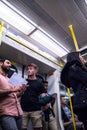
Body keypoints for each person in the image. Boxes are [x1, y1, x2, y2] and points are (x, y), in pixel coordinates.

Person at [61, 52, 87, 130]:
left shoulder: (71, 70)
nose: (83, 58)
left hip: (81, 102)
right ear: (76, 57)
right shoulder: (75, 68)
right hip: (84, 100)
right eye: (81, 56)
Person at [0, 58, 27, 130]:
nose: (10, 65)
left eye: (10, 64)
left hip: (18, 112)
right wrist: (13, 90)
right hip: (6, 113)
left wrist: (21, 91)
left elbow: (14, 95)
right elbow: (12, 91)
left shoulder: (9, 79)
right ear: (1, 63)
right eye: (8, 63)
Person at [21, 63, 46, 130]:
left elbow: (43, 93)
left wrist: (44, 99)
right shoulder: (24, 82)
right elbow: (19, 93)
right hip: (23, 109)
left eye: (31, 69)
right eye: (28, 69)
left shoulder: (39, 82)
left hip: (35, 109)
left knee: (37, 128)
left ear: (36, 70)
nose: (28, 70)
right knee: (22, 128)